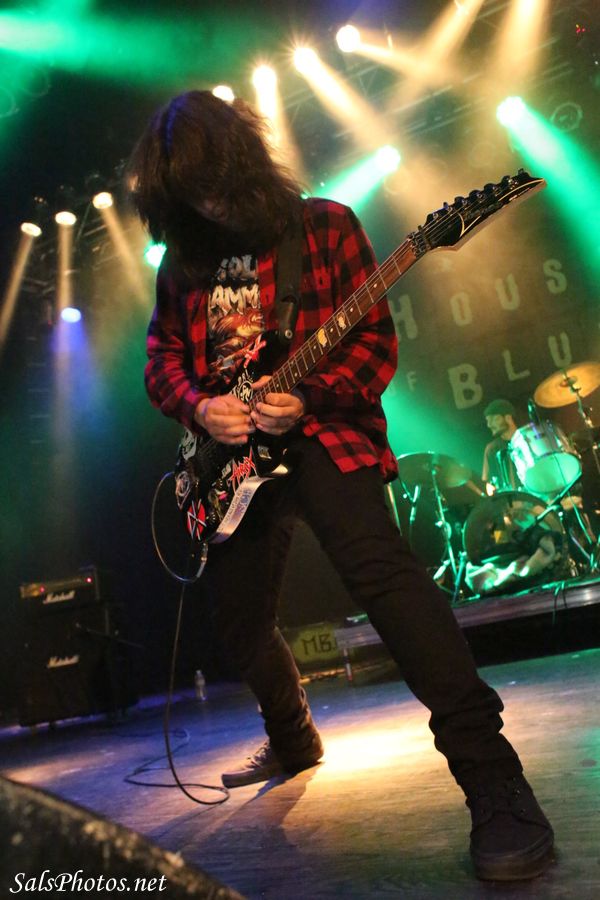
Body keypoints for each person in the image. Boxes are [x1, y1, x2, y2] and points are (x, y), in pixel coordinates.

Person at [128, 90, 554, 882]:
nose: (209, 207)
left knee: (384, 576)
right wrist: (202, 408)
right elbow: (160, 362)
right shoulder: (182, 265)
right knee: (239, 622)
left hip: (324, 432)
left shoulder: (323, 226)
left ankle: (494, 779)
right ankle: (292, 736)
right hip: (230, 468)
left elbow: (375, 345)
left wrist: (310, 397)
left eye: (214, 187)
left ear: (242, 163)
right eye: (191, 198)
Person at [482, 398, 520, 493]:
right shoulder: (491, 449)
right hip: (511, 499)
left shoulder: (527, 438)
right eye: (487, 421)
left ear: (508, 418)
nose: (489, 425)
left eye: (494, 419)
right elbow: (488, 482)